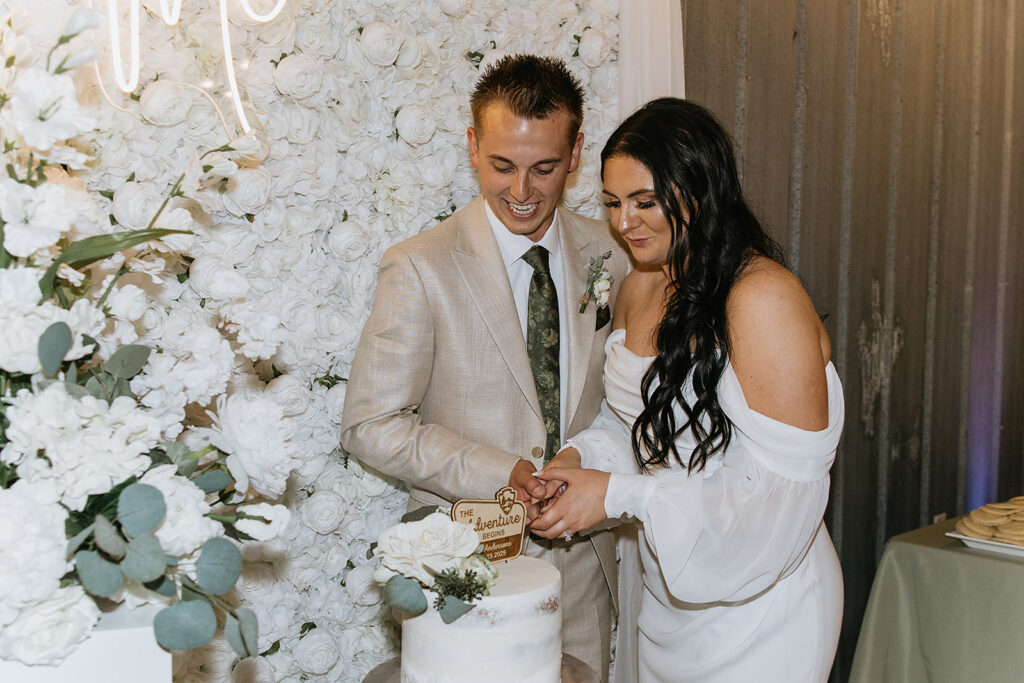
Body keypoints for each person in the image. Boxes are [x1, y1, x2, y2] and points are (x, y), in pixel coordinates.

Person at [529, 98, 844, 682]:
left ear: (701, 190)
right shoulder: (639, 285)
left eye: (645, 202)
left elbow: (782, 492)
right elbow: (635, 426)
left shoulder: (763, 299)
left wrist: (621, 496)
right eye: (614, 203)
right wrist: (579, 460)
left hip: (762, 596)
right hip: (670, 586)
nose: (626, 224)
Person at [340, 54, 629, 678]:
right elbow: (370, 423)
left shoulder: (614, 253)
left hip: (586, 570)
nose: (521, 191)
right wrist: (504, 471)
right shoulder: (420, 265)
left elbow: (625, 400)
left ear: (576, 154)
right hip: (464, 568)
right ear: (473, 147)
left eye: (544, 168)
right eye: (503, 165)